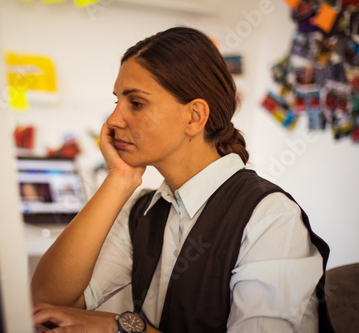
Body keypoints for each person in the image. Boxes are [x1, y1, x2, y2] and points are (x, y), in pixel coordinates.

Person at [31, 27, 334, 333]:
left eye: (135, 103)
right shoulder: (144, 210)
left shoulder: (270, 219)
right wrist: (119, 178)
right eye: (117, 102)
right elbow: (48, 300)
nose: (112, 121)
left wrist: (122, 327)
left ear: (194, 117)